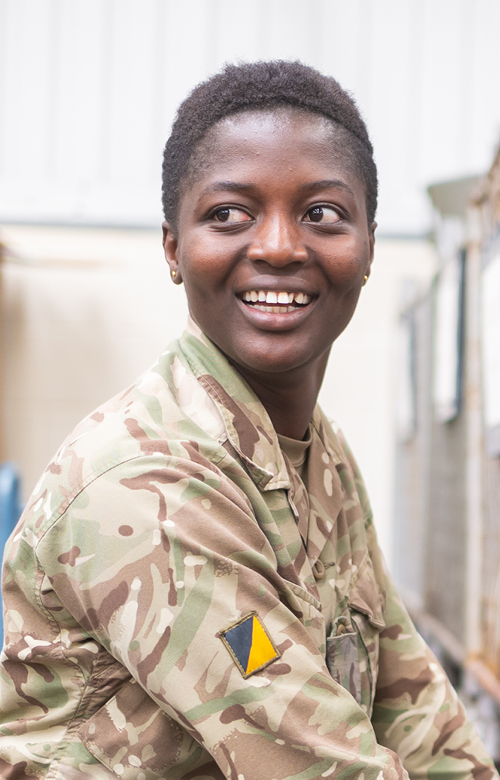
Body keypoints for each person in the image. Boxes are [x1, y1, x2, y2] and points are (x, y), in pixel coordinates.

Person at [0, 61, 497, 780]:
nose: (278, 247)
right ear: (174, 248)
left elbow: (410, 698)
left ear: (368, 248)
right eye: (229, 214)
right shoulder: (144, 486)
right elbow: (318, 767)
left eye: (321, 213)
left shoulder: (319, 454)